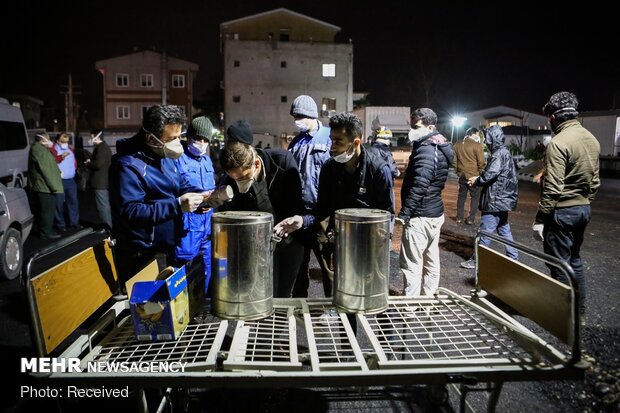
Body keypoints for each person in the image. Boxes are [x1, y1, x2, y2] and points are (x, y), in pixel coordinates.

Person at [274, 112, 395, 297]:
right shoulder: (330, 169)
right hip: (342, 240)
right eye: (331, 140)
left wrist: (379, 244)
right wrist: (301, 220)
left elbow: (387, 213)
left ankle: (385, 325)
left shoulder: (378, 169)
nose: (332, 146)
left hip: (370, 242)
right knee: (344, 292)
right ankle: (346, 324)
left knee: (375, 293)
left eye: (338, 141)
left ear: (355, 142)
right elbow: (322, 209)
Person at [110, 105, 206, 287]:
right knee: (150, 310)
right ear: (150, 138)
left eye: (179, 136)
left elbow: (178, 185)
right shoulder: (127, 166)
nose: (178, 143)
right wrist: (177, 205)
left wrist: (200, 197)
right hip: (143, 253)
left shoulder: (164, 156)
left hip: (167, 246)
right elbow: (131, 212)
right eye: (172, 138)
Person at [533, 91, 600, 316]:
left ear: (553, 116)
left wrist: (541, 219)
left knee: (559, 263)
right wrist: (583, 202)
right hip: (583, 209)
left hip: (561, 212)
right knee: (575, 259)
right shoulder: (591, 138)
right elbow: (595, 181)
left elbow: (553, 188)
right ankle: (578, 309)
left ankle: (564, 314)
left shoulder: (558, 143)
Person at [219, 123, 305, 298]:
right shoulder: (229, 180)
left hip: (290, 240)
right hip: (257, 245)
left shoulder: (282, 162)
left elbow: (296, 204)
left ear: (256, 163)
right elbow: (233, 217)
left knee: (283, 294)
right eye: (233, 178)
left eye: (243, 177)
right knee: (263, 293)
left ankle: (281, 324)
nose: (239, 182)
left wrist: (290, 226)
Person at [397, 108, 454, 297]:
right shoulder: (438, 145)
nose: (412, 130)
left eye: (416, 126)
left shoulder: (427, 150)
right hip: (435, 213)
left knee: (412, 265)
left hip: (420, 216)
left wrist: (405, 214)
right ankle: (428, 299)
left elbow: (420, 186)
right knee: (431, 259)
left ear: (430, 127)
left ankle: (410, 309)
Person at [287, 95, 332, 298]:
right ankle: (298, 306)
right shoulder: (296, 142)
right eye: (295, 116)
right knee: (297, 265)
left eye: (300, 116)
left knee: (328, 266)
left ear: (312, 115)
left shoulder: (329, 138)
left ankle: (333, 308)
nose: (297, 119)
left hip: (322, 214)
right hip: (298, 213)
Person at [461, 125, 519, 269]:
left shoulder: (498, 154)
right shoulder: (505, 152)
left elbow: (490, 175)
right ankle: (513, 257)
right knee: (504, 229)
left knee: (485, 231)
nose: (486, 141)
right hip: (502, 200)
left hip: (495, 199)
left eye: (488, 138)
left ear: (493, 139)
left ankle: (476, 260)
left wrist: (477, 180)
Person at [171, 116, 217, 294]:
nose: (202, 143)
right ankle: (180, 309)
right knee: (182, 269)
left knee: (207, 267)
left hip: (206, 224)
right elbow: (171, 193)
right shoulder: (177, 159)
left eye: (206, 140)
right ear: (189, 137)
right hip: (187, 224)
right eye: (198, 138)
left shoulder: (206, 160)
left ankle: (203, 304)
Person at [28, 133, 63, 240]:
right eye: (48, 139)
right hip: (45, 187)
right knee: (47, 210)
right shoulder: (40, 150)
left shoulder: (39, 149)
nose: (50, 141)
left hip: (42, 186)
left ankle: (42, 230)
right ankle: (46, 232)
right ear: (43, 140)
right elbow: (47, 170)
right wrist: (54, 187)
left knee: (43, 210)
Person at [452, 127, 486, 225]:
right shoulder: (477, 145)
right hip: (473, 176)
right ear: (474, 134)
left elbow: (454, 160)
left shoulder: (457, 144)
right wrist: (480, 173)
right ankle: (470, 219)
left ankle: (459, 217)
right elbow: (481, 162)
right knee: (474, 197)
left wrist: (457, 171)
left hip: (461, 174)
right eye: (478, 134)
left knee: (461, 196)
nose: (479, 136)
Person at [51, 132, 80, 230]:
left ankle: (74, 222)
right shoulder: (53, 150)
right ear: (58, 141)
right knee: (59, 203)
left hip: (71, 180)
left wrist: (74, 169)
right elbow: (53, 161)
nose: (65, 143)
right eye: (63, 141)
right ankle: (60, 224)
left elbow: (74, 162)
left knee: (73, 202)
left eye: (67, 141)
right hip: (60, 181)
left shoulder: (70, 149)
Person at [85, 129, 112, 229]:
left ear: (97, 137)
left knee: (102, 206)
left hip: (100, 181)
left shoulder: (101, 148)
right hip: (102, 181)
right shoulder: (102, 147)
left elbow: (98, 164)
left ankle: (107, 226)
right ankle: (106, 225)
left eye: (92, 137)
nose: (90, 139)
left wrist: (88, 163)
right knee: (103, 204)